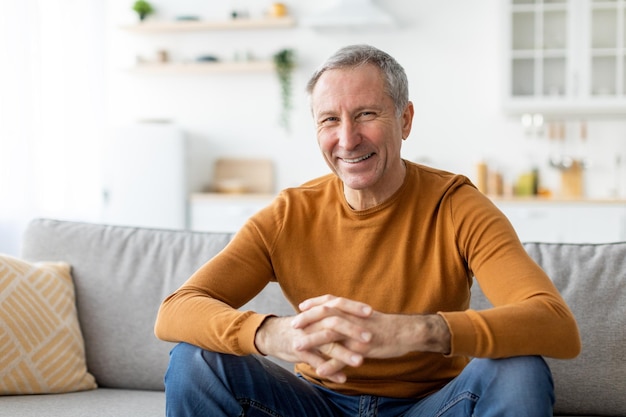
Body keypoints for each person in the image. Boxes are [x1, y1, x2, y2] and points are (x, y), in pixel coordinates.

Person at [155, 44, 580, 417]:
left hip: (433, 406)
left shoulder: (455, 205)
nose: (347, 139)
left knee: (519, 369)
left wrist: (416, 331)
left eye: (366, 114)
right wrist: (269, 334)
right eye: (329, 120)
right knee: (195, 361)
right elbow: (176, 310)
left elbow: (555, 324)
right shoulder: (290, 213)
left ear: (405, 119)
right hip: (314, 404)